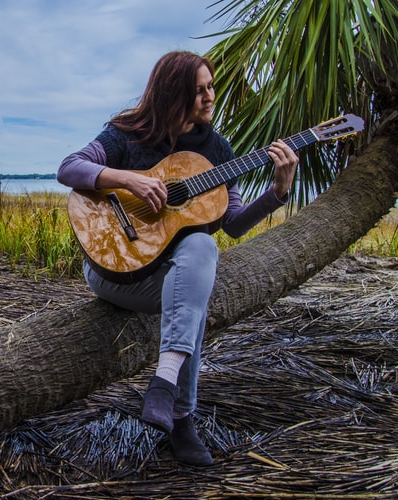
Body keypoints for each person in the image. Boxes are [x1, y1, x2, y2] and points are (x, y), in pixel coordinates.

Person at [57, 51, 298, 466]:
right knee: (196, 298)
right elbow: (68, 167)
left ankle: (164, 384)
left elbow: (235, 223)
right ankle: (184, 420)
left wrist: (278, 191)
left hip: (172, 278)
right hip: (113, 274)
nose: (210, 97)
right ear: (172, 94)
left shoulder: (217, 150)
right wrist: (127, 177)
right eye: (198, 90)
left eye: (211, 87)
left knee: (202, 247)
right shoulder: (126, 134)